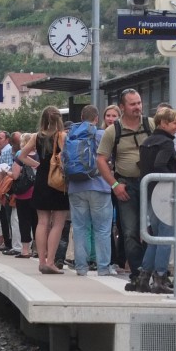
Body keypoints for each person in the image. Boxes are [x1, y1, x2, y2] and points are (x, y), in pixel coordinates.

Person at [97, 89, 153, 286]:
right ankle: (137, 273)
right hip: (126, 185)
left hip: (151, 184)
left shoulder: (150, 124)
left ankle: (153, 270)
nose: (138, 107)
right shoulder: (113, 131)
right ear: (122, 107)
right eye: (133, 104)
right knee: (129, 231)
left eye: (139, 103)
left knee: (153, 229)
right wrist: (114, 185)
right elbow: (101, 160)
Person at [129, 106, 176, 295]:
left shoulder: (146, 142)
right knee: (165, 236)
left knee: (154, 236)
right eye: (174, 123)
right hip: (165, 193)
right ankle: (160, 277)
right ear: (163, 123)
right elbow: (160, 164)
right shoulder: (167, 143)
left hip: (149, 192)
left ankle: (144, 277)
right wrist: (173, 179)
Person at [18, 107, 70, 274]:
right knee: (58, 223)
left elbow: (21, 156)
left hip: (41, 180)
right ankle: (51, 261)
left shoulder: (37, 136)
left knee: (42, 222)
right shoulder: (61, 136)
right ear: (59, 119)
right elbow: (67, 157)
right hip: (57, 181)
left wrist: (38, 165)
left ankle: (41, 261)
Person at [67, 106, 115, 277]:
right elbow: (110, 158)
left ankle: (81, 267)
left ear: (81, 117)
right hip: (99, 186)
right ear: (96, 118)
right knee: (102, 229)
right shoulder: (101, 134)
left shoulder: (71, 134)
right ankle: (103, 268)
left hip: (75, 187)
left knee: (80, 228)